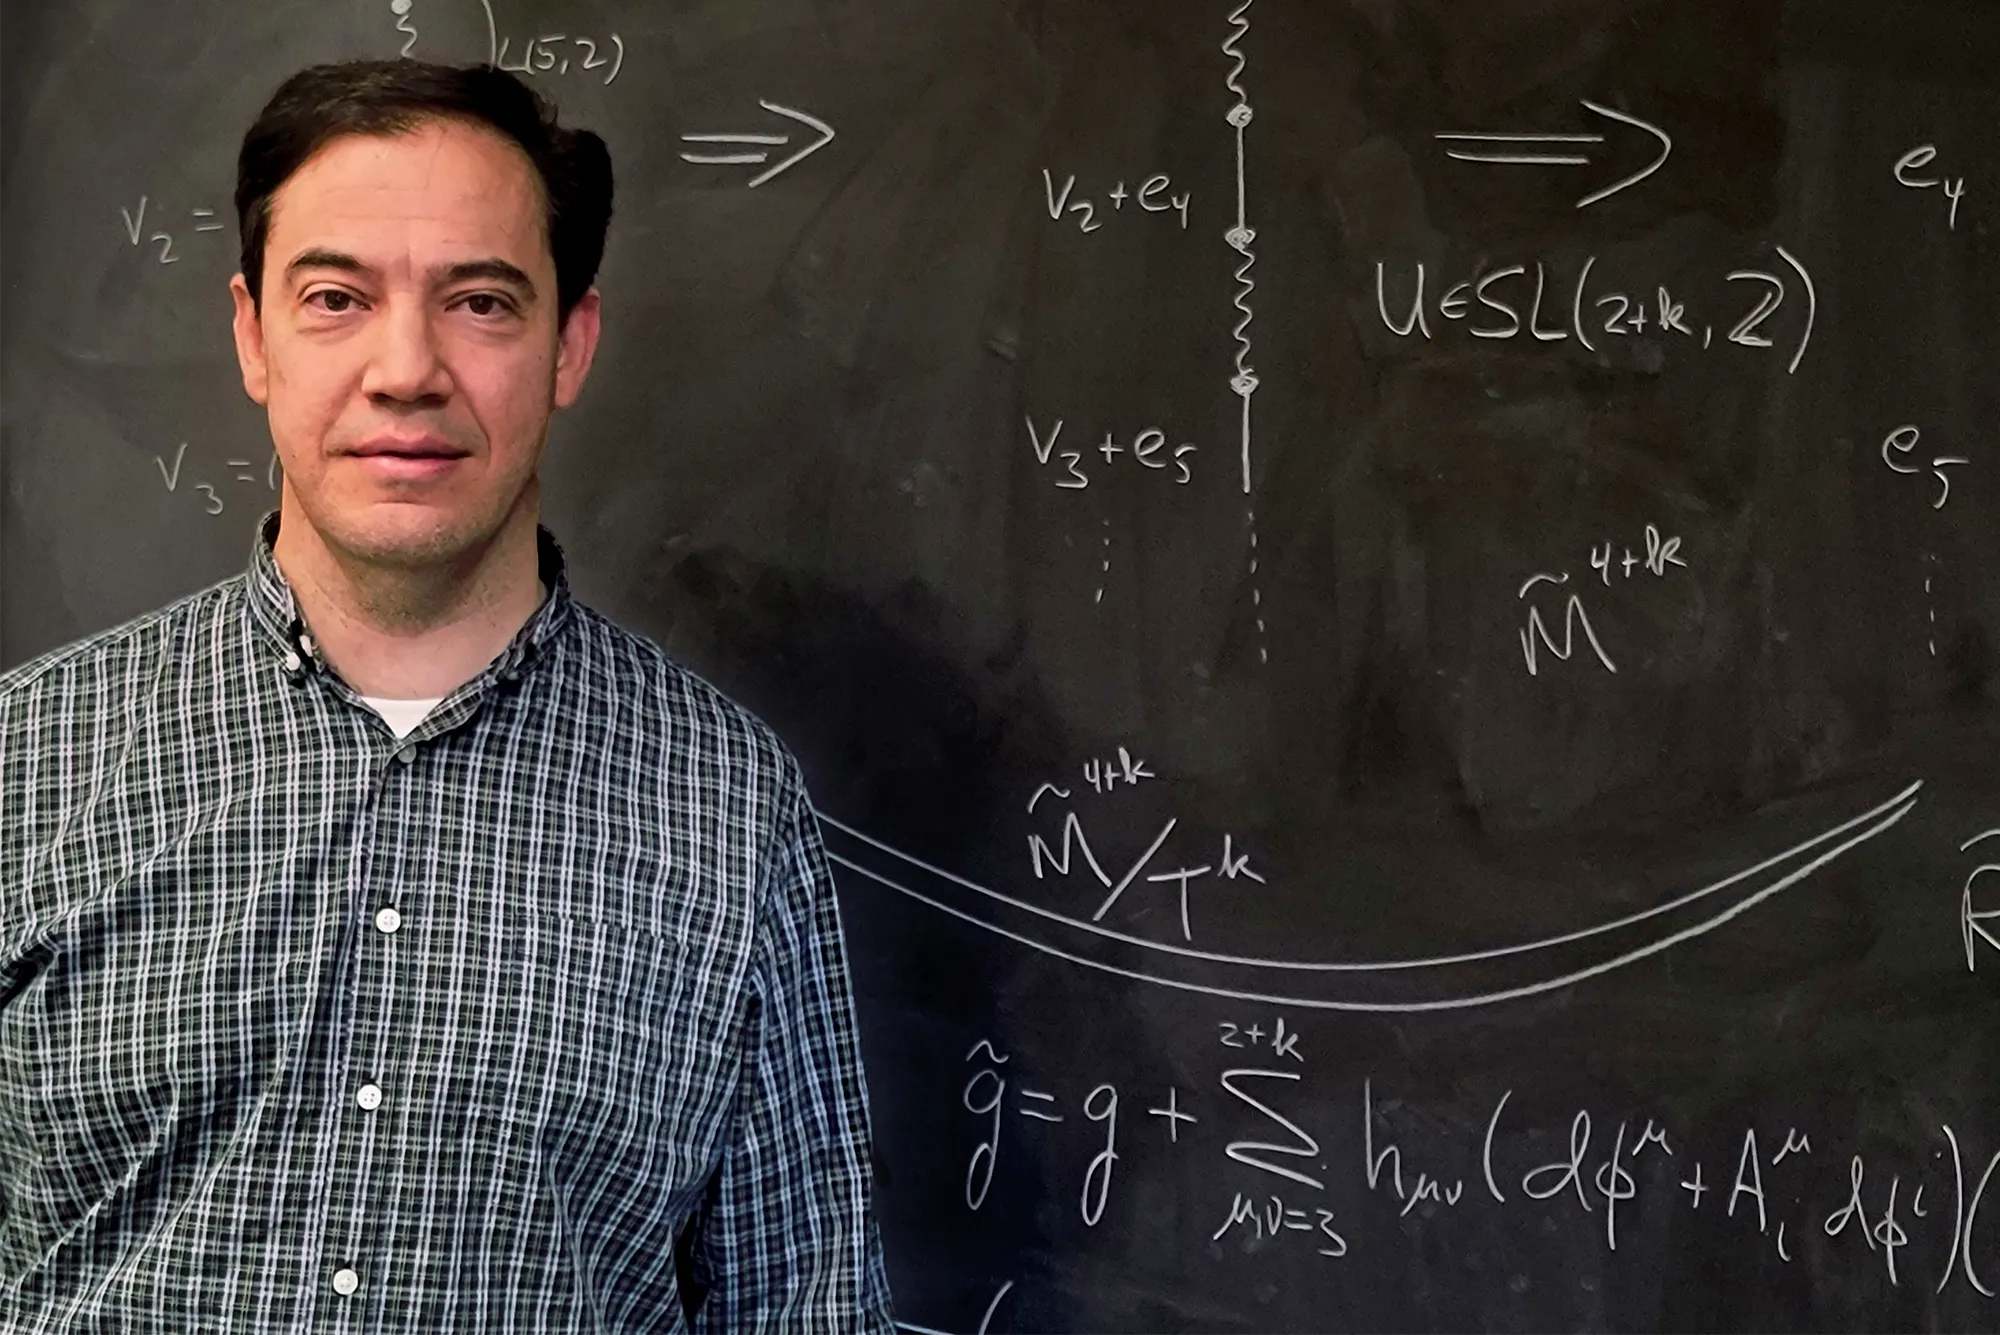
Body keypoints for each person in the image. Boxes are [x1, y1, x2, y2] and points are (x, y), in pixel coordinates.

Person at [0, 59, 895, 1332]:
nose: (406, 369)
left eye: (479, 302)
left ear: (569, 345)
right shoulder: (28, 757)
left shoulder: (728, 813)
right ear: (253, 336)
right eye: (335, 298)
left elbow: (802, 1309)